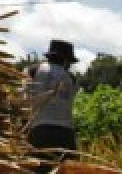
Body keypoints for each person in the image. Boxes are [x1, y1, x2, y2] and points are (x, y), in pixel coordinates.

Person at [24, 39, 79, 170]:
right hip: (66, 134)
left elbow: (26, 99)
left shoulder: (33, 71)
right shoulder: (71, 78)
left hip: (41, 131)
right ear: (66, 61)